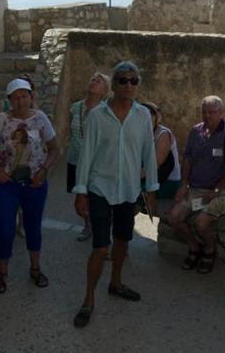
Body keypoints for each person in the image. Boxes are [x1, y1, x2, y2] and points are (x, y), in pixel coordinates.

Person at [71, 61, 158, 328]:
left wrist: (151, 188)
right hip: (99, 188)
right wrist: (81, 191)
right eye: (123, 80)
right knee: (99, 247)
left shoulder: (143, 115)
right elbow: (86, 155)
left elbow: (148, 152)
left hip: (129, 189)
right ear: (114, 83)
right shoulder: (98, 115)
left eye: (134, 81)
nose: (129, 85)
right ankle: (88, 300)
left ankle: (116, 283)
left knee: (122, 241)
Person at [0, 78, 58, 294]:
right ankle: (2, 273)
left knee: (33, 228)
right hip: (6, 184)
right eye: (16, 97)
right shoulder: (1, 120)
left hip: (34, 183)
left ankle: (35, 268)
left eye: (25, 95)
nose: (21, 101)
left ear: (31, 97)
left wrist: (44, 171)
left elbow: (53, 149)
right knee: (5, 230)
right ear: (9, 100)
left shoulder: (41, 118)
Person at [167, 96, 225, 274]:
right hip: (196, 190)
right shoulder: (196, 131)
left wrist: (217, 190)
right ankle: (194, 247)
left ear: (221, 113)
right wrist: (183, 184)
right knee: (174, 218)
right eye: (204, 112)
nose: (208, 116)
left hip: (223, 193)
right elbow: (188, 159)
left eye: (212, 112)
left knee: (201, 223)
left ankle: (210, 249)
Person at [66, 72, 111, 242]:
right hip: (75, 159)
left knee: (95, 198)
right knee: (80, 199)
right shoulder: (75, 107)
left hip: (96, 162)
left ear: (104, 90)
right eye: (92, 79)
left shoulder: (105, 112)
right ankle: (88, 224)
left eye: (99, 81)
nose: (94, 82)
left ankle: (100, 228)